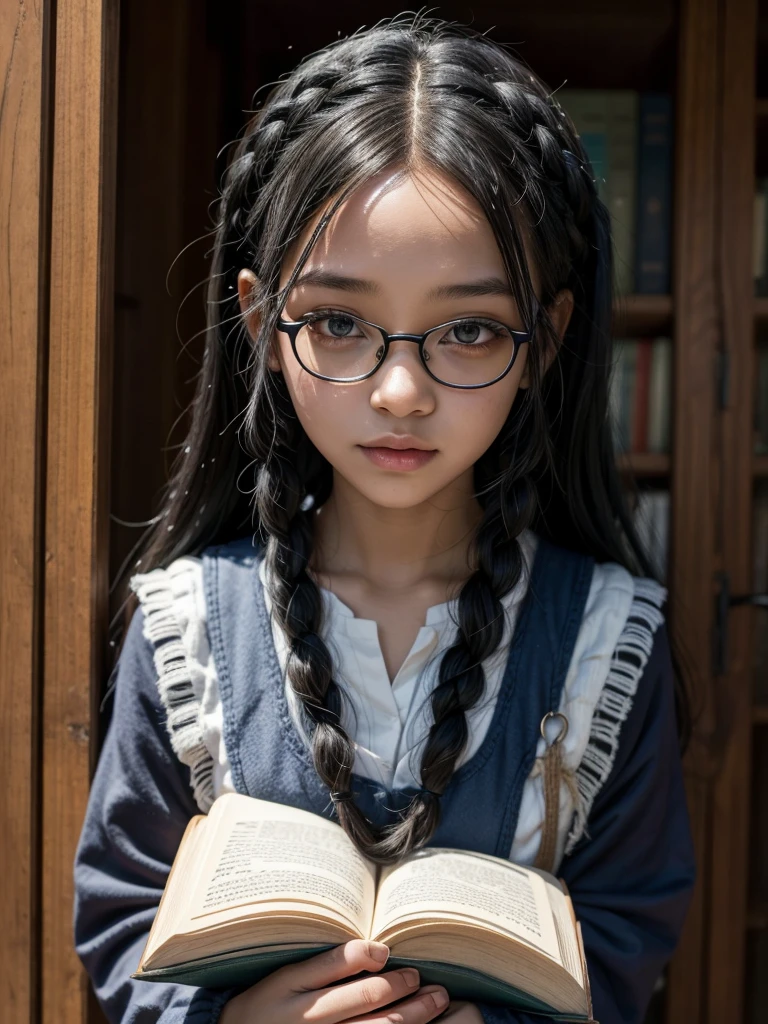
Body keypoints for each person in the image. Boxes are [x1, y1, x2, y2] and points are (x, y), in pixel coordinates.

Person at [73, 15, 696, 1024]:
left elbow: (628, 926)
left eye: (468, 330)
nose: (401, 389)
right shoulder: (185, 628)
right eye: (338, 322)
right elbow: (119, 912)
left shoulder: (607, 642)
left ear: (546, 340)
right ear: (260, 324)